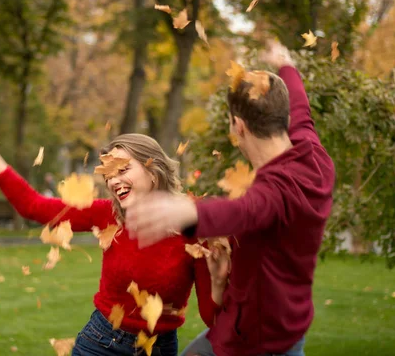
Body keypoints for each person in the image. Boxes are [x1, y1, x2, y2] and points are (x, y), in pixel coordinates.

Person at [0, 103, 229, 356]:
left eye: (123, 169)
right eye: (109, 175)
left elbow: (212, 320)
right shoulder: (108, 214)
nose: (114, 181)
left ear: (153, 171)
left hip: (159, 348)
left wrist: (218, 282)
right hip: (101, 344)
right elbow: (32, 205)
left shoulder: (194, 226)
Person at [126, 41, 336, 356]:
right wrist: (286, 64)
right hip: (278, 327)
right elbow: (302, 109)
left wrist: (188, 213)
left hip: (256, 343)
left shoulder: (274, 191)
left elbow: (245, 211)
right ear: (283, 117)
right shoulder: (313, 154)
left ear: (238, 126)